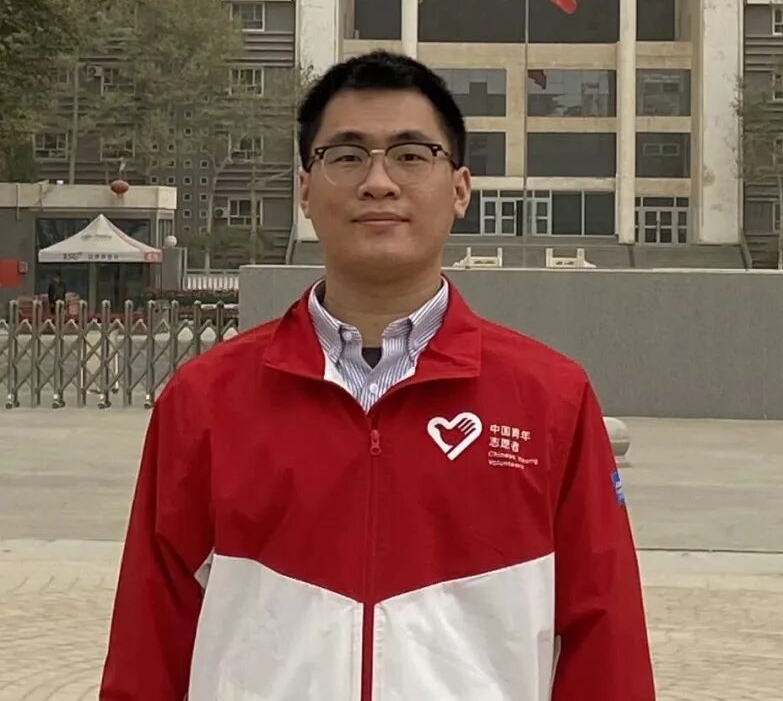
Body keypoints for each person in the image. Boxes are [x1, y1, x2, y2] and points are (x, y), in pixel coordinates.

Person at [100, 50, 655, 700]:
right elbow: (148, 644)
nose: (378, 181)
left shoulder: (551, 399)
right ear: (305, 189)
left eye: (412, 155)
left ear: (460, 189)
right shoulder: (205, 400)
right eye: (346, 155)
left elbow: (605, 644)